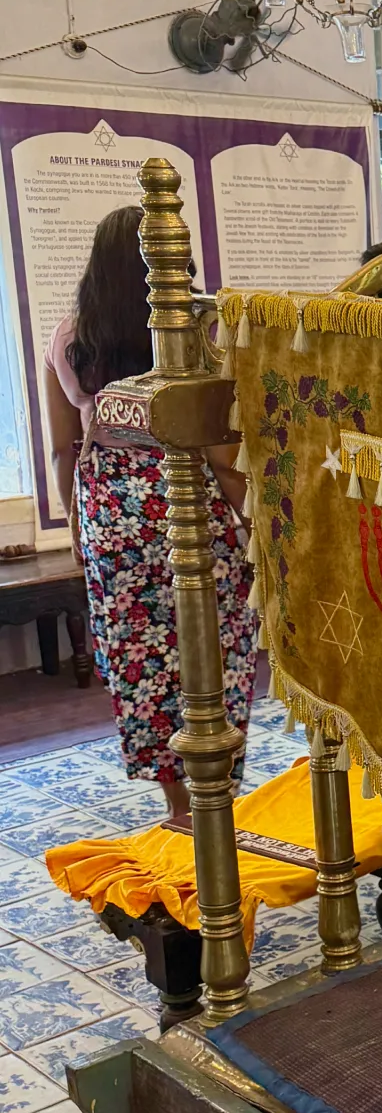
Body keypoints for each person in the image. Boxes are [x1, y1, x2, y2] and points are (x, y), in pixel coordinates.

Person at [44, 206, 254, 819]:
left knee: (143, 661)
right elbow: (219, 450)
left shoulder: (70, 337)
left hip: (111, 510)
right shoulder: (193, 331)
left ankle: (177, 806)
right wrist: (256, 519)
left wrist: (78, 528)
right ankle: (217, 792)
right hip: (186, 501)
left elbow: (64, 446)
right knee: (215, 648)